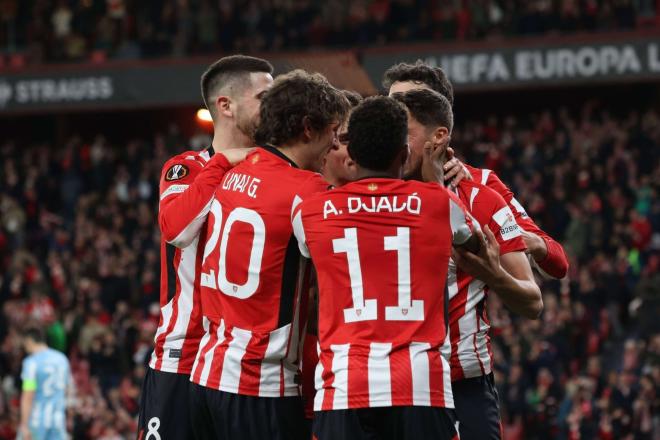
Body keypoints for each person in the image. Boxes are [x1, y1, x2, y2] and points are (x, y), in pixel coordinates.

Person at [292, 96, 480, 440]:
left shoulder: (311, 212)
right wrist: (435, 181)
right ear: (404, 154)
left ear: (353, 155)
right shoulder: (439, 203)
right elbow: (475, 242)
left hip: (345, 386)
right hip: (421, 386)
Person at [188, 69, 350, 440]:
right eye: (334, 132)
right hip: (259, 384)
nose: (336, 144)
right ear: (309, 128)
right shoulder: (309, 190)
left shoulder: (233, 170)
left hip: (206, 374)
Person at [393, 88, 543, 439]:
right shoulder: (378, 196)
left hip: (464, 386)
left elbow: (532, 302)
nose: (398, 145)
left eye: (407, 134)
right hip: (398, 384)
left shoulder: (484, 200)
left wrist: (493, 275)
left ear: (440, 136)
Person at [138, 55, 273, 440]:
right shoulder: (186, 167)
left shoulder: (278, 174)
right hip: (183, 357)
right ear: (225, 105)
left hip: (243, 367)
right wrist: (224, 164)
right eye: (264, 96)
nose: (274, 105)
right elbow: (176, 228)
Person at [384, 60, 569, 280]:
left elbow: (558, 264)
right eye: (391, 106)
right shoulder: (369, 177)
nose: (394, 116)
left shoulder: (479, 184)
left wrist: (516, 239)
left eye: (408, 104)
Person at [19, 327, 72, 440]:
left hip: (37, 419)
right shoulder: (62, 359)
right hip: (58, 419)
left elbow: (28, 395)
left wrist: (24, 425)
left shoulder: (31, 363)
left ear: (29, 341)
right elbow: (68, 390)